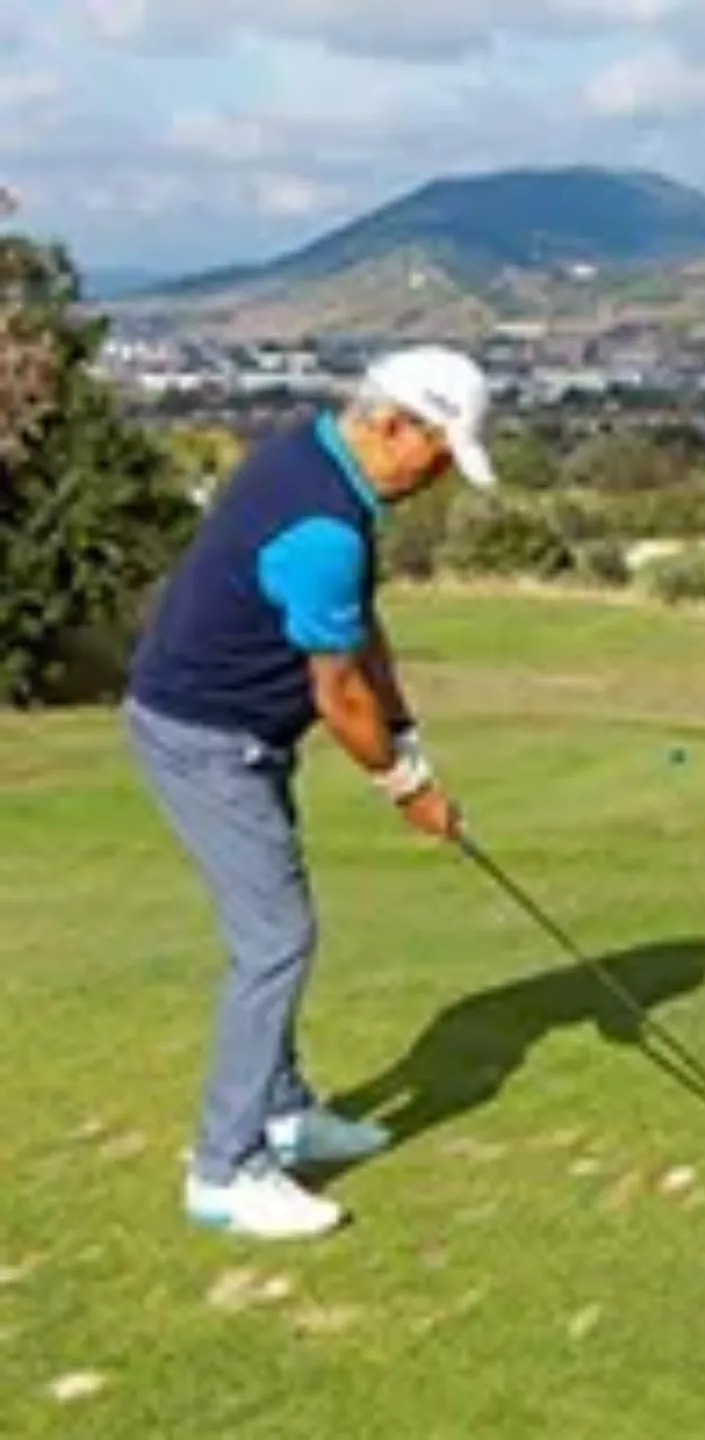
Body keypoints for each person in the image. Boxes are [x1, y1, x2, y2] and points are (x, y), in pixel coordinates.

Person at [123, 344, 497, 1240]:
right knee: (276, 941)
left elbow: (362, 635)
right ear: (395, 423)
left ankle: (284, 1116)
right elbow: (338, 694)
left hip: (232, 733)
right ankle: (226, 1168)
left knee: (273, 931)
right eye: (439, 453)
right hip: (204, 738)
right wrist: (408, 788)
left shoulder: (313, 457)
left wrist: (406, 736)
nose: (439, 474)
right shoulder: (325, 526)